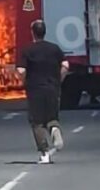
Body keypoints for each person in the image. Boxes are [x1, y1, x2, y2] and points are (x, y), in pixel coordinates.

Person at [16, 20, 69, 164]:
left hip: (35, 90)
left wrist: (24, 81)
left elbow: (21, 70)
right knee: (52, 117)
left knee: (37, 122)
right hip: (53, 88)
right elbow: (65, 65)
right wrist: (59, 80)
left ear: (32, 32)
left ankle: (45, 153)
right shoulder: (54, 48)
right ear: (45, 32)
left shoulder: (27, 50)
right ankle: (54, 129)